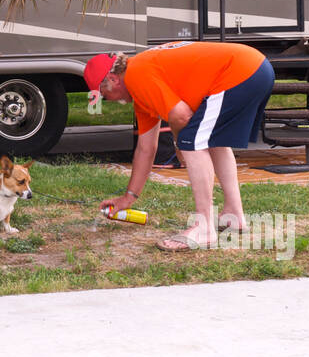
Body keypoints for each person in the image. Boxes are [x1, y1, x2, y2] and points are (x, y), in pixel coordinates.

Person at [87, 41, 275, 251]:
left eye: (103, 95)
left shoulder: (137, 75)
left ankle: (203, 228)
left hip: (241, 71)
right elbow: (146, 149)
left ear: (113, 79)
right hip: (255, 67)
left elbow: (181, 116)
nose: (108, 100)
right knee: (210, 140)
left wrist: (181, 145)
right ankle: (234, 215)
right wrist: (127, 199)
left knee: (192, 141)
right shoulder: (140, 82)